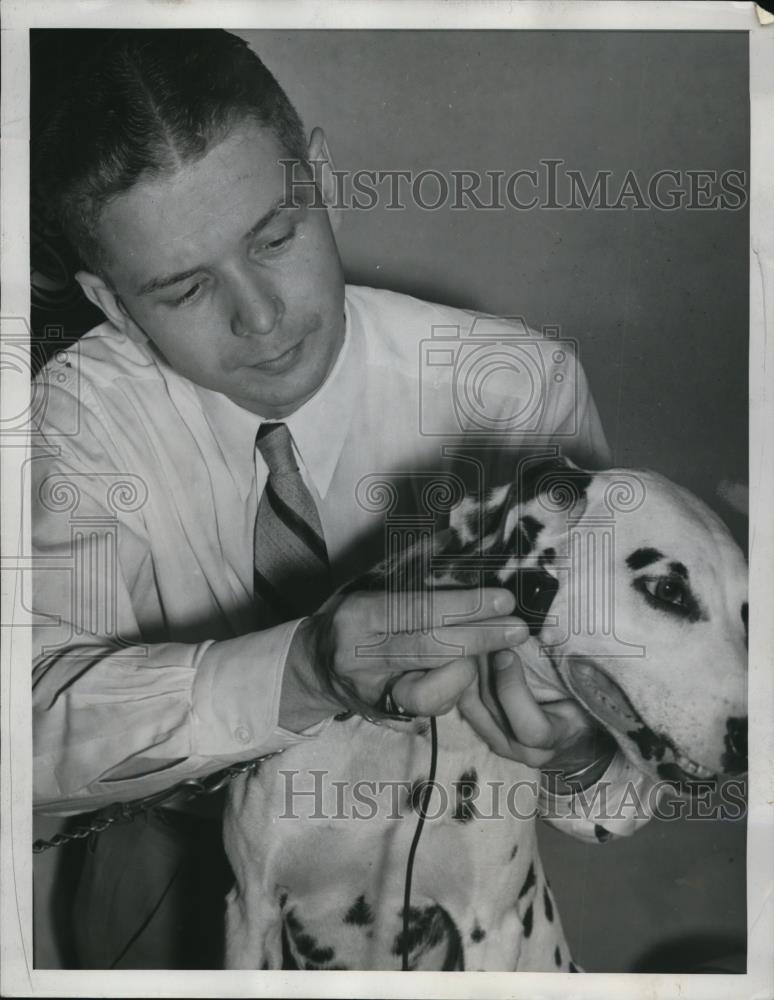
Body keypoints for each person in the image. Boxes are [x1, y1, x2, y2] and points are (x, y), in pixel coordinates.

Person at [31, 29, 649, 970]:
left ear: (321, 175)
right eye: (185, 287)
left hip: (451, 895)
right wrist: (304, 671)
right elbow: (23, 739)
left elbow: (617, 794)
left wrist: (574, 753)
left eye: (275, 237)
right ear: (110, 304)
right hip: (163, 898)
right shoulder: (74, 416)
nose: (260, 316)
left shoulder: (514, 389)